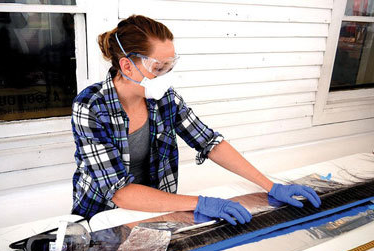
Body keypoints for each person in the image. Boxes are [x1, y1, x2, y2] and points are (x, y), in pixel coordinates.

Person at [71, 15, 321, 225]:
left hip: (157, 207)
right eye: (158, 68)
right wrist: (200, 203)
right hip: (104, 217)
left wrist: (270, 185)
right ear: (127, 66)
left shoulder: (164, 98)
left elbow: (209, 142)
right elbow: (120, 193)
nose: (165, 76)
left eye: (170, 66)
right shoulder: (90, 107)